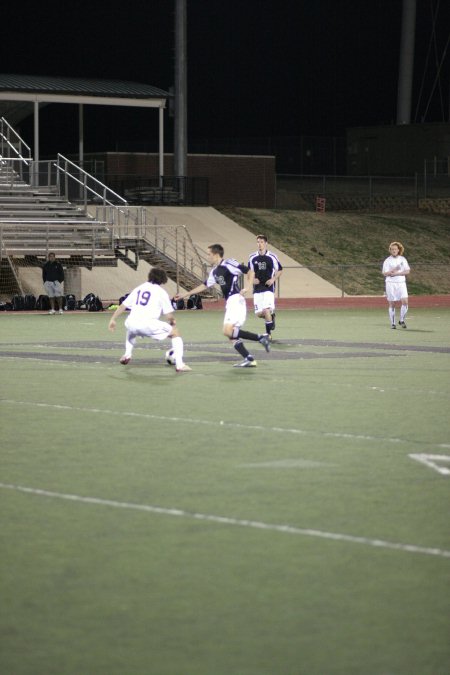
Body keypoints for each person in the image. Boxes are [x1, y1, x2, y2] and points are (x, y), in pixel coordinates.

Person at [175, 244, 270, 368]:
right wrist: (186, 294)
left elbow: (250, 272)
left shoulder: (229, 264)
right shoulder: (214, 271)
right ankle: (249, 358)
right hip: (231, 303)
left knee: (227, 331)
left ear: (215, 254)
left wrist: (248, 286)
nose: (208, 257)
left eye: (209, 254)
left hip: (235, 300)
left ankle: (260, 338)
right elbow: (204, 285)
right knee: (231, 335)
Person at [108, 267, 191, 372]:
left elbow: (123, 305)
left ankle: (127, 354)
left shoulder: (139, 288)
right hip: (148, 324)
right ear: (163, 279)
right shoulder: (161, 292)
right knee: (175, 333)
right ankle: (180, 365)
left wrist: (113, 319)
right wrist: (172, 321)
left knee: (131, 329)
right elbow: (168, 315)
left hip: (131, 322)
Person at [247, 234, 283, 339]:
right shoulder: (252, 257)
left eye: (262, 242)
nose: (260, 244)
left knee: (266, 309)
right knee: (259, 313)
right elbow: (249, 272)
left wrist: (273, 279)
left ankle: (268, 334)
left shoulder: (272, 256)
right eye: (258, 242)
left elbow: (280, 270)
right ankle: (271, 318)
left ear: (266, 243)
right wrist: (252, 280)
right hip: (257, 289)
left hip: (268, 288)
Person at [382, 241, 410, 329]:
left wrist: (397, 273)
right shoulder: (387, 260)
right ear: (390, 250)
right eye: (392, 249)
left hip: (401, 283)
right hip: (391, 284)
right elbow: (385, 273)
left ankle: (401, 320)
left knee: (405, 302)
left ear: (398, 250)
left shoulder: (402, 259)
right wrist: (392, 271)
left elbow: (407, 271)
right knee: (392, 303)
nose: (394, 250)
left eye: (395, 249)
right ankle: (393, 323)